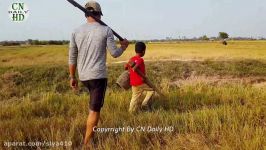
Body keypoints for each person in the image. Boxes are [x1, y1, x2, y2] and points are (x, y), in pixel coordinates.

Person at [68, 1, 129, 147]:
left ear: (86, 13)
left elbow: (72, 56)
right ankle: (87, 143)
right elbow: (114, 53)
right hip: (98, 77)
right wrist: (123, 47)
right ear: (99, 14)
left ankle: (91, 135)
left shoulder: (76, 31)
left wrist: (72, 76)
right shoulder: (105, 30)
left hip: (83, 76)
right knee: (94, 111)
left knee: (93, 109)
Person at [125, 42, 155, 113]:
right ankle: (144, 104)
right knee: (151, 90)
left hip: (133, 83)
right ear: (143, 51)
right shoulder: (140, 59)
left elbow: (125, 67)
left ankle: (131, 111)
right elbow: (135, 67)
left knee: (134, 97)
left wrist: (129, 67)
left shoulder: (131, 59)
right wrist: (143, 76)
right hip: (140, 82)